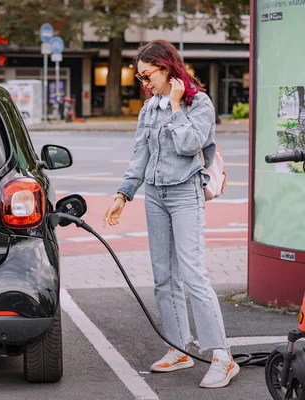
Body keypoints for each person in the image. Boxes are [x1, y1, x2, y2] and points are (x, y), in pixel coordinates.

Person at [102, 40, 239, 389]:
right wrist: (124, 193)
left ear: (166, 68)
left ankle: (222, 357)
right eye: (139, 75)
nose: (143, 82)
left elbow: (190, 145)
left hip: (184, 194)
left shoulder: (198, 103)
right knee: (163, 276)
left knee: (194, 275)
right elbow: (140, 153)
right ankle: (179, 348)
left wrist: (177, 106)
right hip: (155, 195)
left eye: (147, 74)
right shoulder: (149, 108)